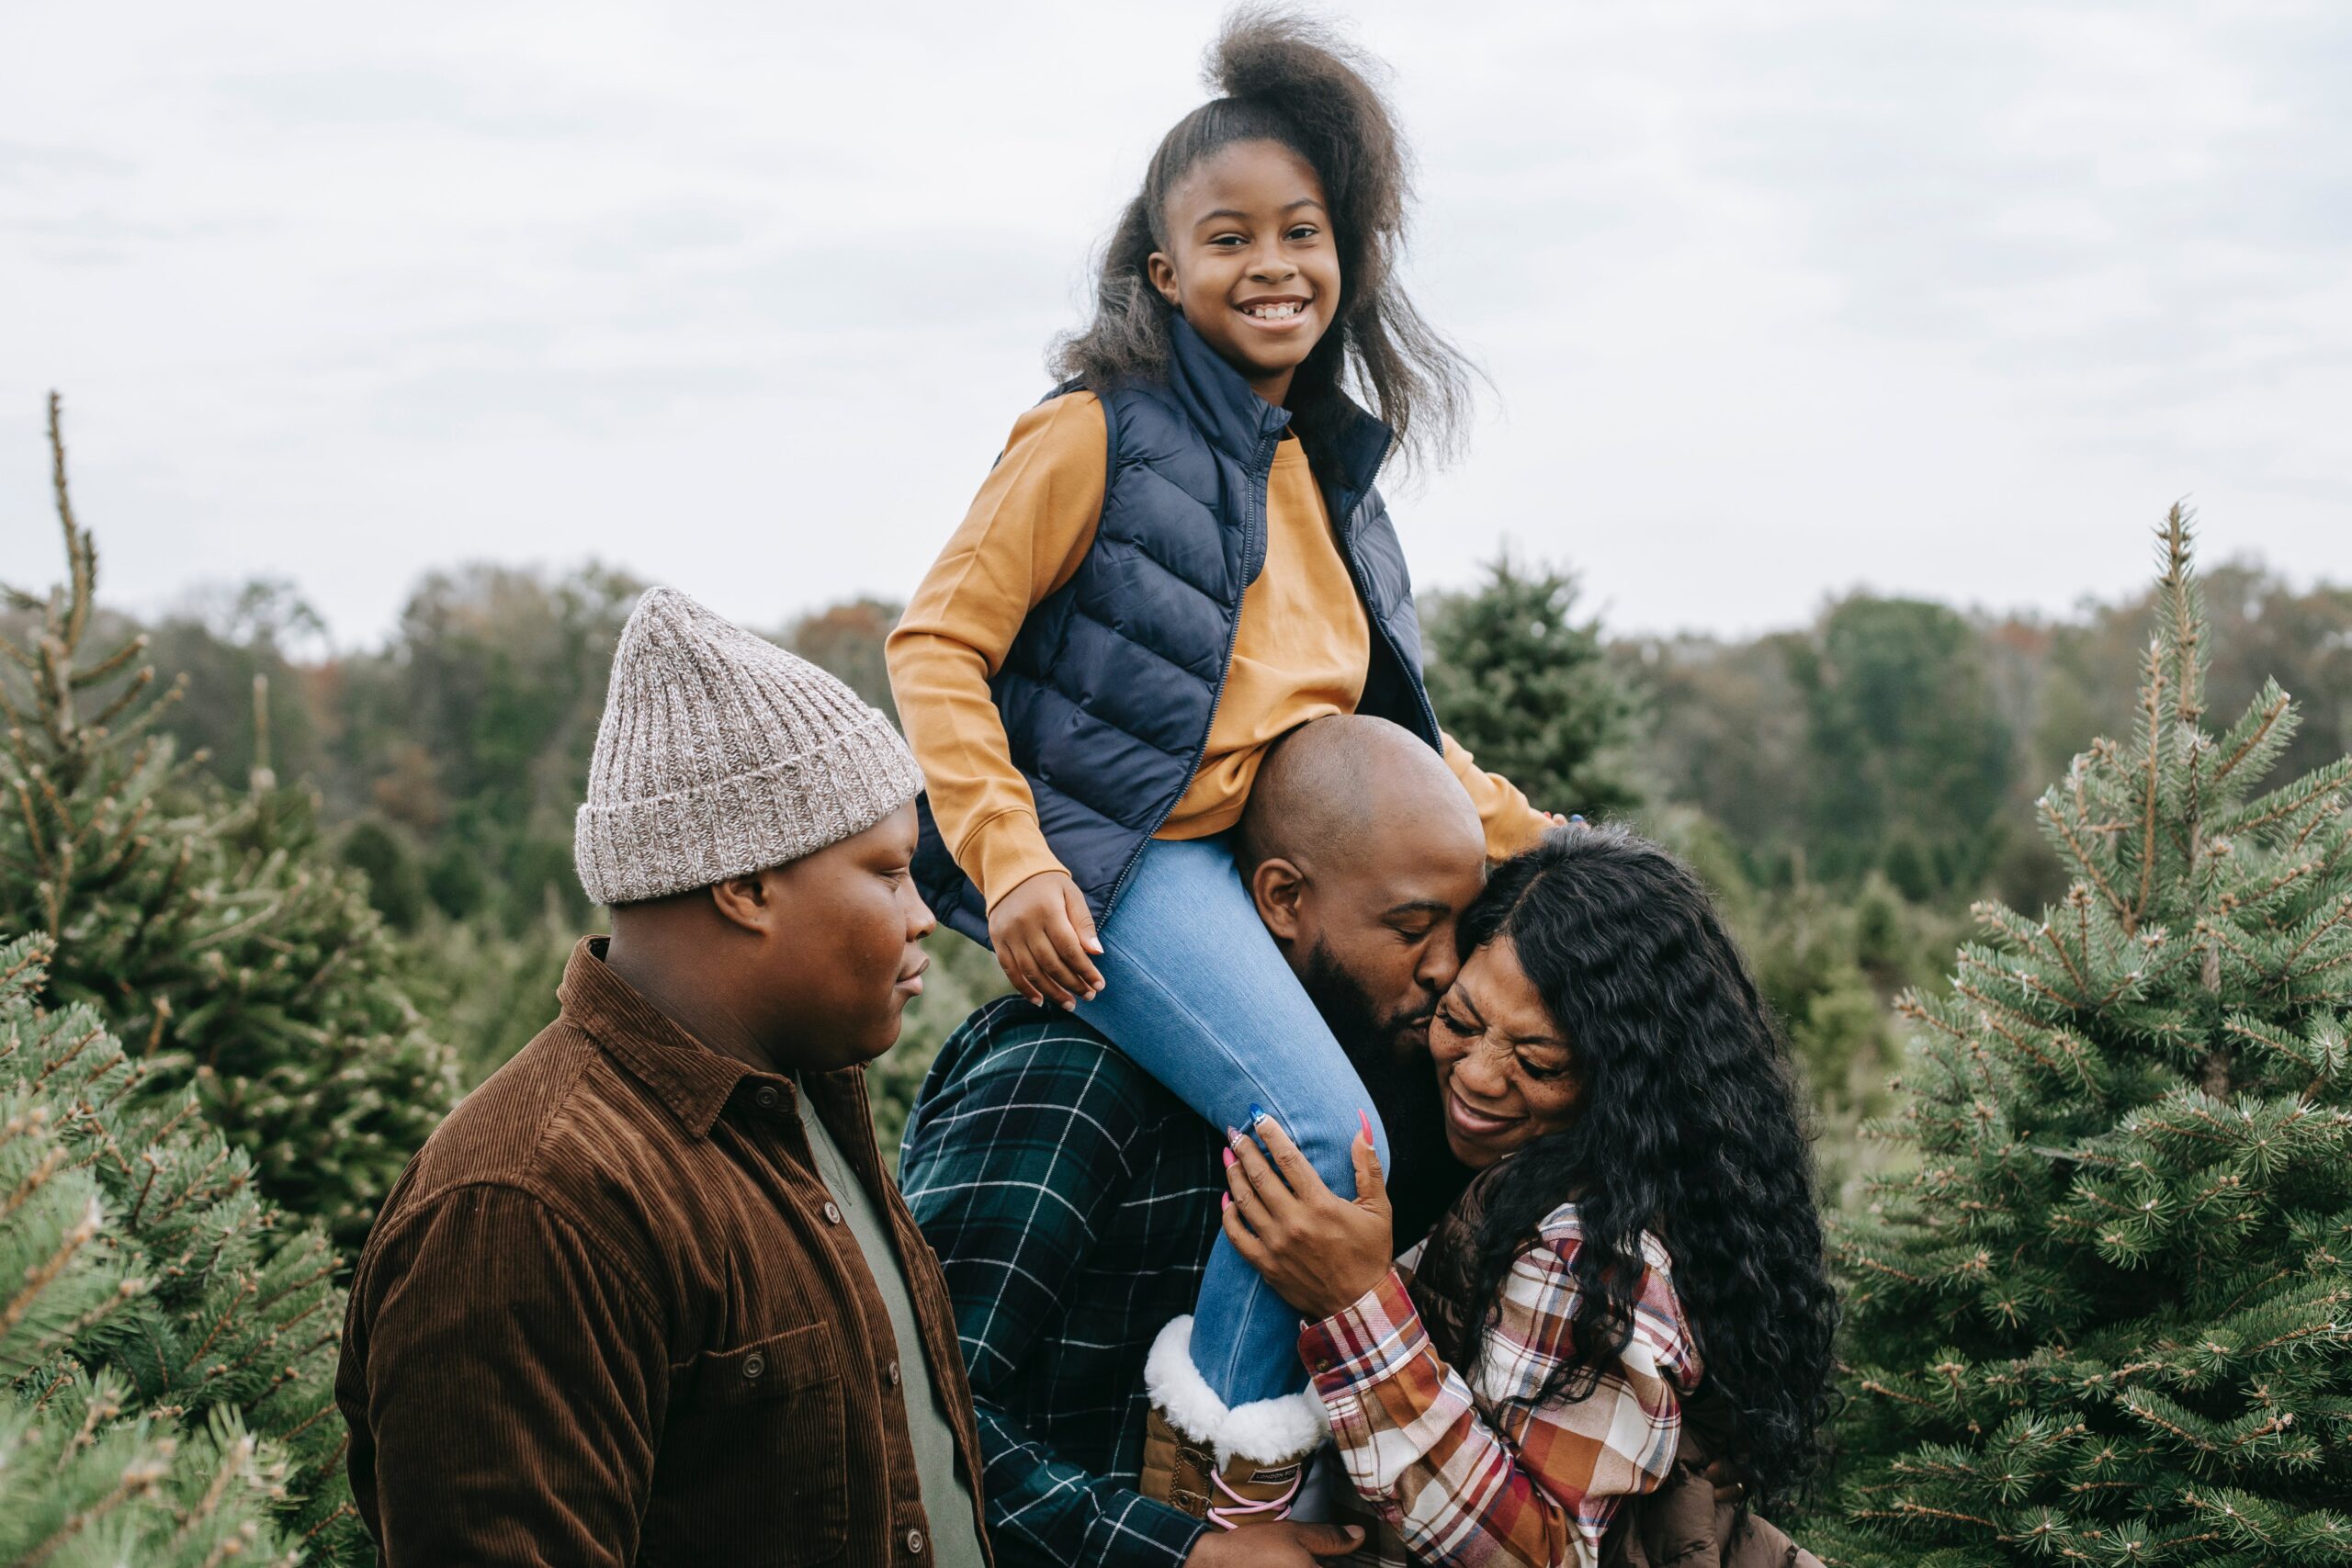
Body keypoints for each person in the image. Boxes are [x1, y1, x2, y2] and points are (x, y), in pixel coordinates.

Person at [884, 11, 1558, 1515]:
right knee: (1324, 1130)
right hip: (1124, 862)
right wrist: (1016, 856)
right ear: (1164, 272)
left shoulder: (1324, 472)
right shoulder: (1092, 435)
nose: (1275, 265)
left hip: (1258, 849)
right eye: (1230, 236)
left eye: (1304, 233)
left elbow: (1390, 731)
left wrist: (1545, 837)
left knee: (1427, 1082)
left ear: (1346, 256)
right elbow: (934, 645)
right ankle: (1221, 1484)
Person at [336, 589, 991, 1567]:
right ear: (746, 883)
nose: (922, 916)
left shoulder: (806, 1111)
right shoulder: (528, 1207)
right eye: (888, 871)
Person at [899, 716, 1485, 1568]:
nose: (1445, 968)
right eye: (1410, 927)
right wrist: (1182, 1554)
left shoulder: (1388, 1099)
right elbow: (906, 1408)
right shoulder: (1072, 1078)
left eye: (1459, 932)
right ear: (1283, 898)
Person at [1222, 829, 1838, 1568]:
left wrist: (1358, 1304)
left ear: (1624, 1086)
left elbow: (1545, 1555)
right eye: (1458, 1021)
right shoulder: (1537, 1169)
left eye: (1538, 1061)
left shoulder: (1596, 1254)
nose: (1479, 1075)